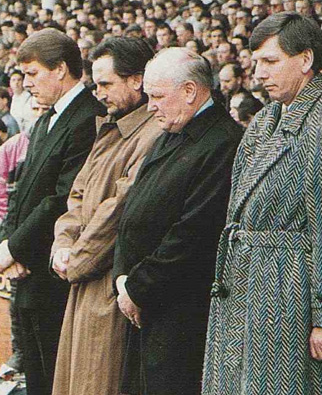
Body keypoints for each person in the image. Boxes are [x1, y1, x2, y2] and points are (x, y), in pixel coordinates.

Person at [203, 12, 322, 395]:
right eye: (257, 62)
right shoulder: (264, 121)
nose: (259, 72)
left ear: (306, 60)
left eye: (271, 61)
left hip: (290, 294)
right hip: (250, 288)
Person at [110, 47, 243, 395]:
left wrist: (137, 288)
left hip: (181, 313)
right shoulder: (169, 131)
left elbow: (194, 233)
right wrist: (124, 279)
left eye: (157, 96)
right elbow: (133, 211)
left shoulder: (222, 142)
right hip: (144, 303)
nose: (150, 105)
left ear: (189, 92)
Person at [50, 37, 161, 395]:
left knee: (96, 381)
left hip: (107, 279)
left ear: (137, 80)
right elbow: (77, 195)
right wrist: (63, 244)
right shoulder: (111, 126)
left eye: (106, 84)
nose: (99, 93)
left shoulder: (151, 133)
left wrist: (75, 259)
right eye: (96, 85)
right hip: (84, 274)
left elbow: (119, 209)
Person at [0, 28, 105, 395]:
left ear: (60, 69)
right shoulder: (47, 118)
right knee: (35, 373)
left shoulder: (88, 118)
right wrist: (10, 245)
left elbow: (61, 200)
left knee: (53, 375)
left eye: (32, 74)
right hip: (28, 269)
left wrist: (14, 250)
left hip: (53, 273)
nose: (26, 83)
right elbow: (22, 189)